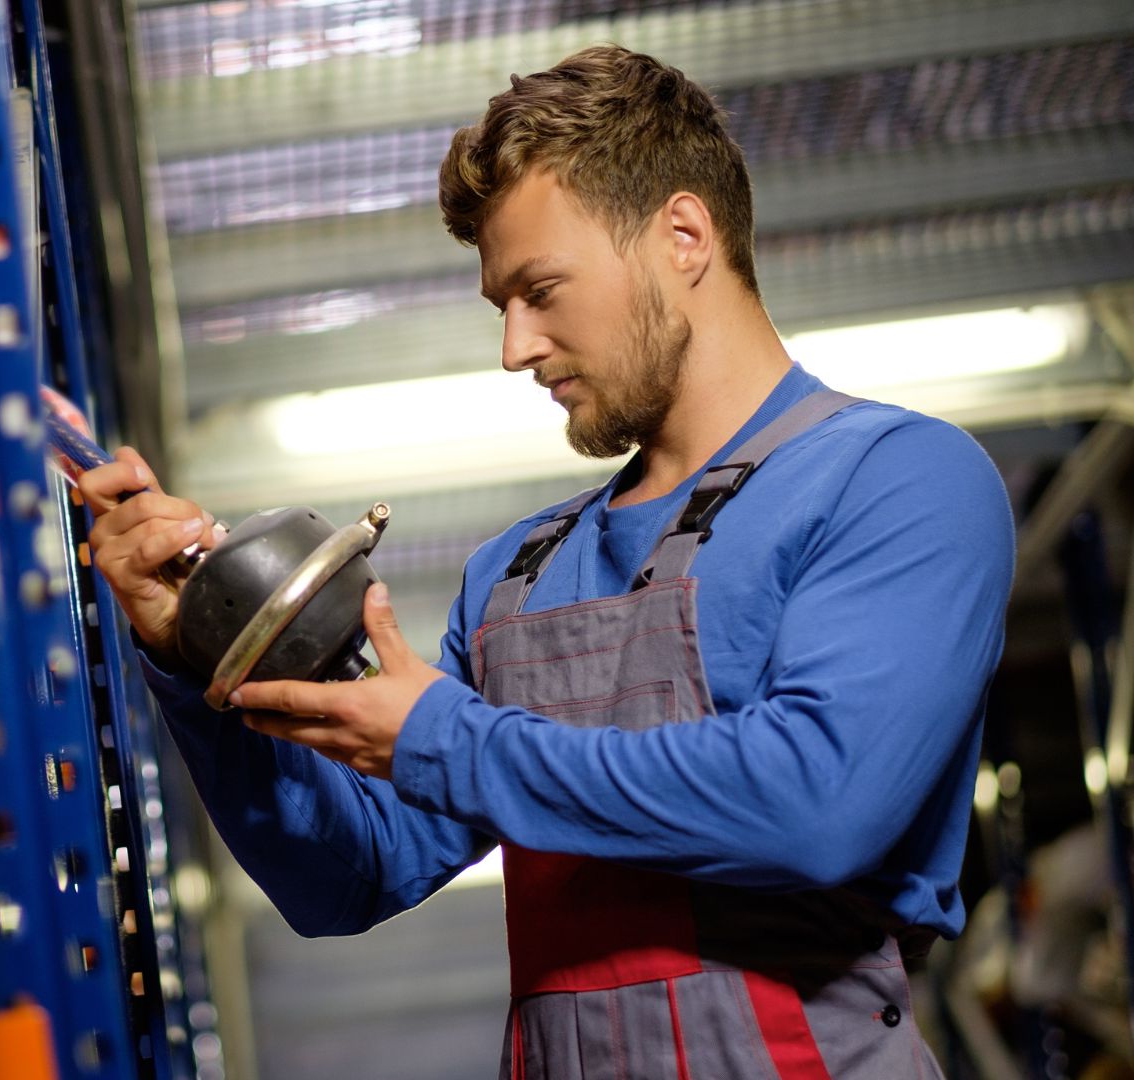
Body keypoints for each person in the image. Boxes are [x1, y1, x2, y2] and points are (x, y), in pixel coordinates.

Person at [81, 45, 1013, 1078]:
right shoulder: (517, 574)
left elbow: (818, 806)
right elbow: (345, 880)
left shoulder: (896, 480)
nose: (515, 347)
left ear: (684, 236)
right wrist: (199, 649)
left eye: (541, 289)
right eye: (501, 306)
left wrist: (444, 736)